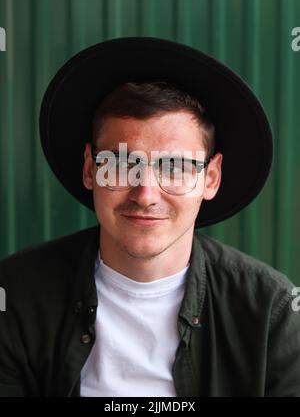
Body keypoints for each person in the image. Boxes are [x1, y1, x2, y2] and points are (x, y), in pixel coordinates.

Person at [0, 37, 299, 397]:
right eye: (122, 164)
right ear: (90, 169)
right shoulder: (16, 295)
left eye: (175, 167)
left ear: (211, 178)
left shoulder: (270, 310)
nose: (145, 194)